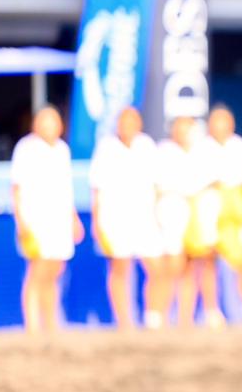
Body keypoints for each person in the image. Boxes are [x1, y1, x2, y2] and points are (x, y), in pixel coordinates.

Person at [10, 105, 83, 332]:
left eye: (53, 121)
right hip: (36, 219)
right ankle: (32, 326)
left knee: (54, 270)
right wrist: (21, 221)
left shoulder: (62, 149)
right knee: (38, 272)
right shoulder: (26, 148)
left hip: (59, 219)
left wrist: (73, 219)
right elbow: (16, 189)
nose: (48, 126)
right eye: (44, 121)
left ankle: (51, 324)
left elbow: (66, 189)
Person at [89, 107, 163, 329]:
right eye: (123, 122)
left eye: (132, 121)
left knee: (157, 267)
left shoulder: (147, 145)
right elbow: (96, 188)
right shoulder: (106, 148)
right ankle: (124, 321)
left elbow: (157, 184)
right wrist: (97, 220)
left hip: (145, 216)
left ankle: (154, 316)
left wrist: (158, 214)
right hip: (115, 218)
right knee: (120, 268)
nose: (127, 126)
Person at [197, 105, 242, 327]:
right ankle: (211, 311)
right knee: (208, 260)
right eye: (216, 122)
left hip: (237, 210)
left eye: (224, 121)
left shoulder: (239, 146)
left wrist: (230, 186)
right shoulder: (203, 148)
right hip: (209, 208)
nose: (220, 126)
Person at [152, 116, 200, 326]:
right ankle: (158, 313)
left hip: (194, 213)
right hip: (170, 211)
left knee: (190, 266)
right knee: (171, 265)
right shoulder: (164, 151)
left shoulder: (199, 152)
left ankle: (185, 317)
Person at [178, 117, 224, 329]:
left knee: (207, 262)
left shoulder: (207, 152)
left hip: (204, 213)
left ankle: (211, 310)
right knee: (184, 266)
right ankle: (184, 316)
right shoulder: (170, 153)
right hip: (179, 216)